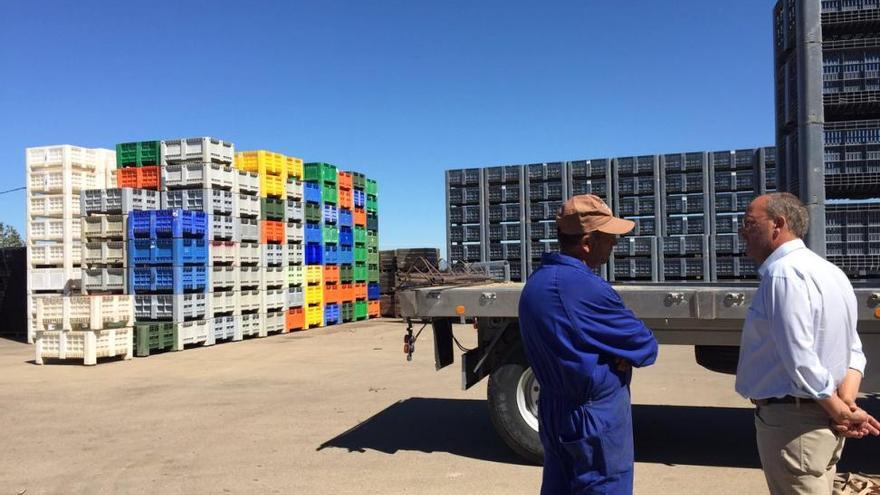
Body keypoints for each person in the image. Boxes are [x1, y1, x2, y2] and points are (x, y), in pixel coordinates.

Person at [735, 192, 880, 495]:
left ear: (778, 224)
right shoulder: (831, 272)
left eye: (749, 223)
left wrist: (840, 411)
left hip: (795, 425)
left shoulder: (782, 274)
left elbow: (799, 357)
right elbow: (853, 349)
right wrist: (846, 402)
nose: (742, 232)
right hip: (821, 420)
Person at [518, 194, 658, 495]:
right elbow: (645, 346)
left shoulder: (538, 281)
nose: (614, 244)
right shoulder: (584, 287)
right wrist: (617, 355)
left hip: (556, 408)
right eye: (609, 238)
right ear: (587, 243)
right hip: (593, 418)